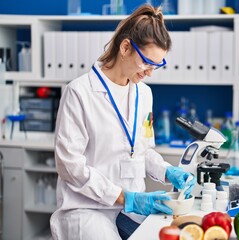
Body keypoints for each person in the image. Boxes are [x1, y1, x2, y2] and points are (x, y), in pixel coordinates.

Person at [50, 4, 195, 240]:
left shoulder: (144, 94)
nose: (150, 72)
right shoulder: (80, 92)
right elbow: (70, 167)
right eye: (147, 62)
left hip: (131, 209)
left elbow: (142, 150)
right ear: (126, 47)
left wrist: (168, 172)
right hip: (87, 209)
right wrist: (125, 197)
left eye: (157, 65)